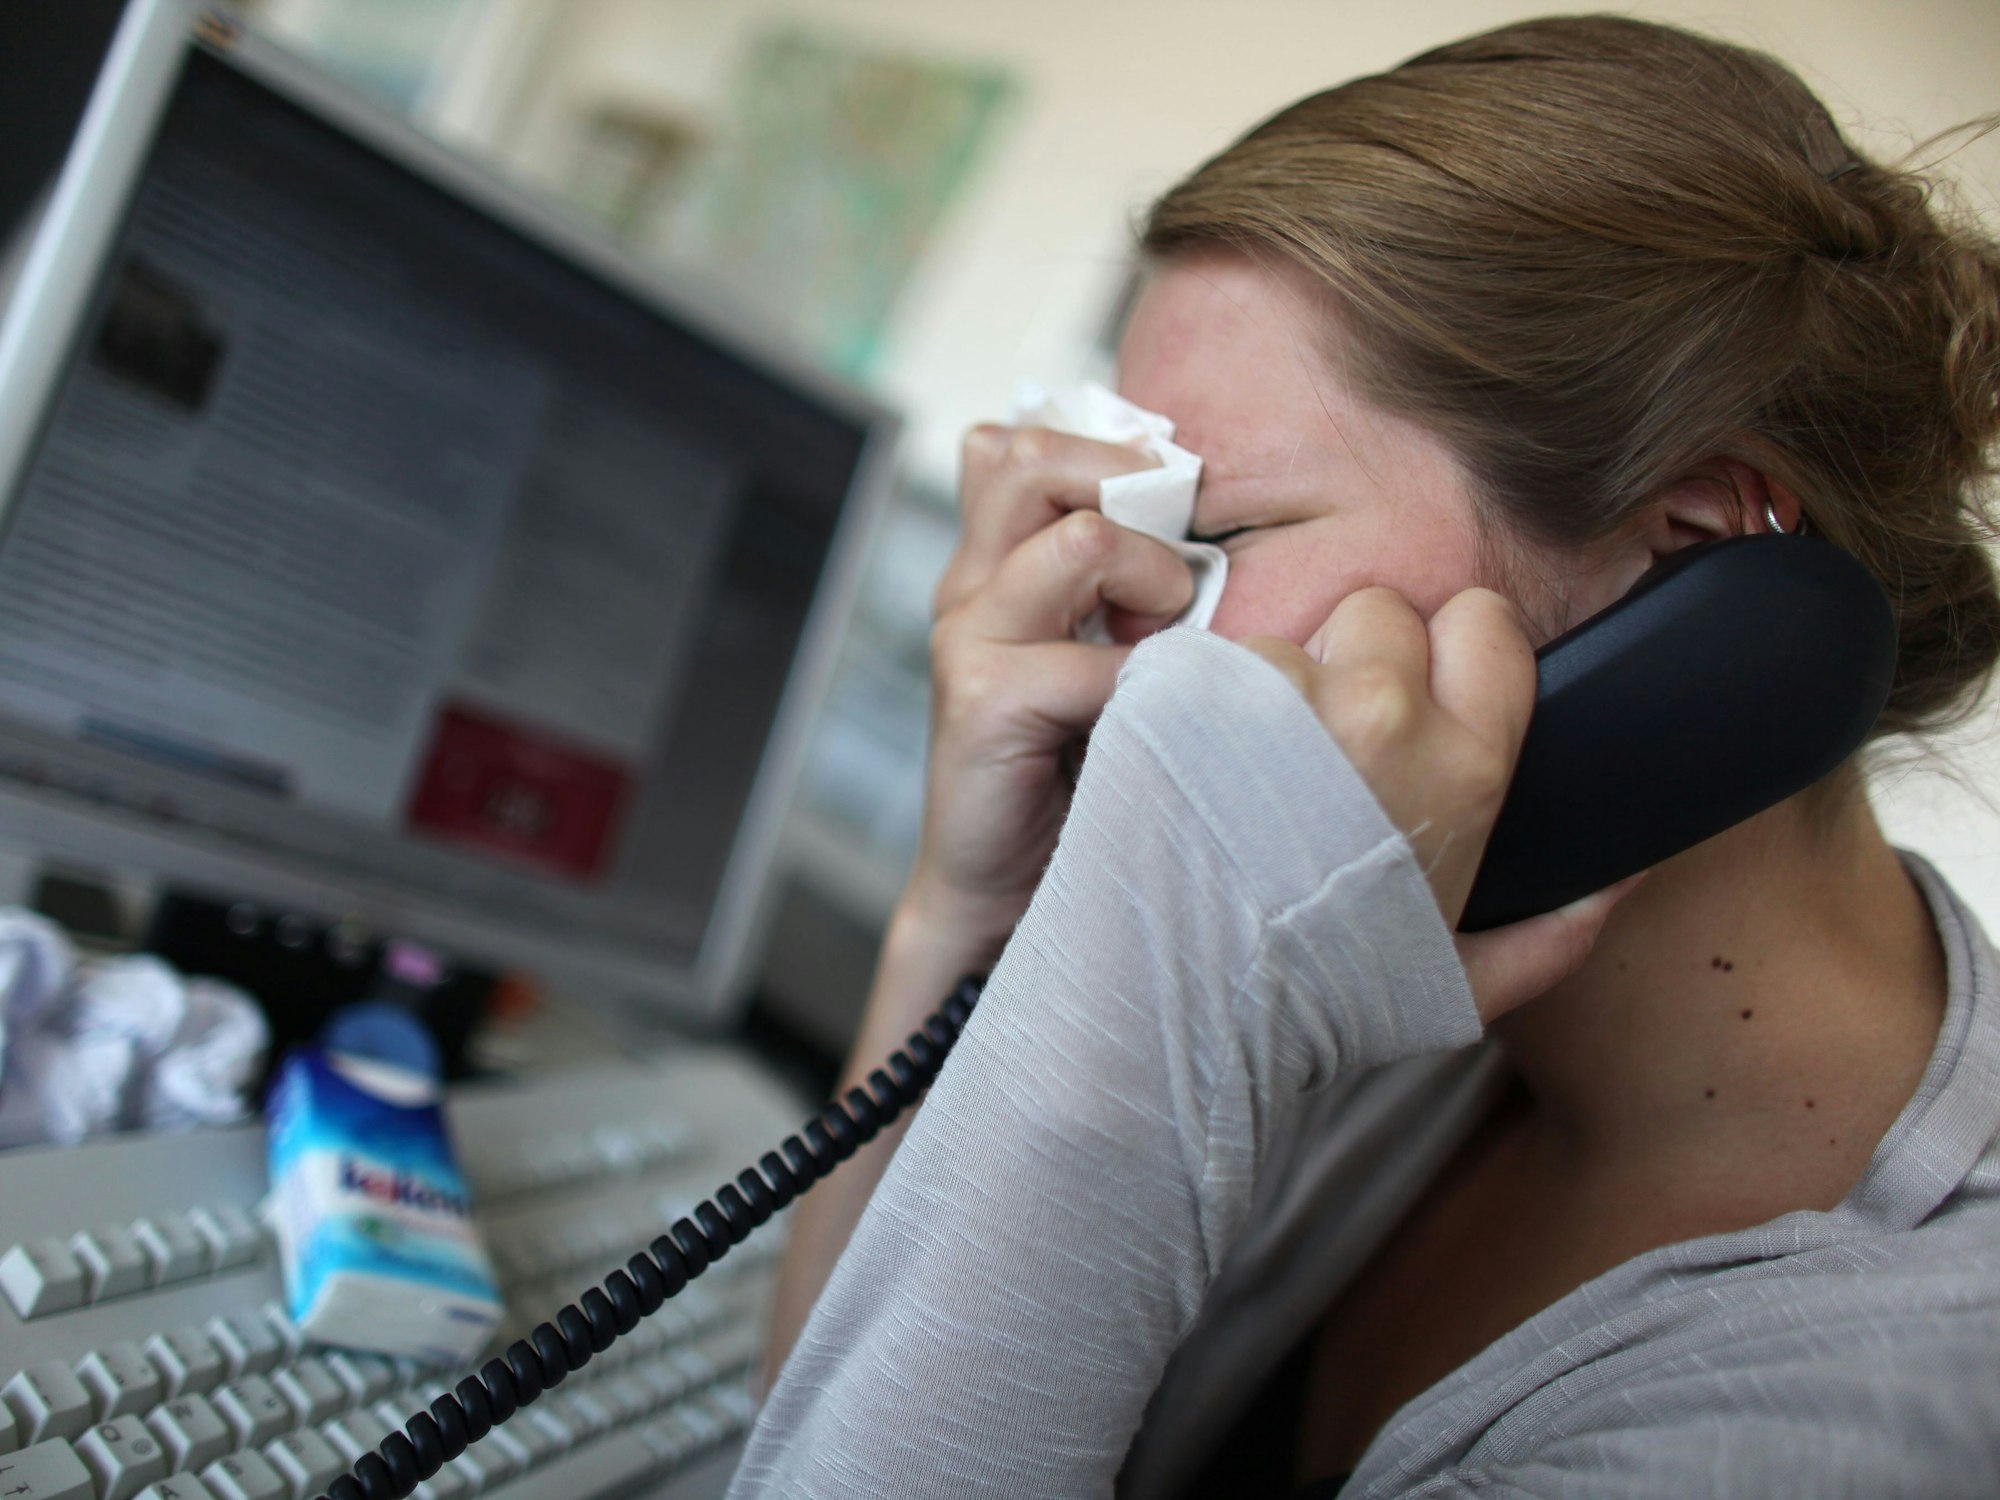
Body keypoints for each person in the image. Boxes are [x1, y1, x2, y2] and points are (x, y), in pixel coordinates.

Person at [735, 15, 2000, 1498]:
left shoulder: (1880, 1402)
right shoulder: (1368, 959)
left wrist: (1162, 1004)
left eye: (1220, 538)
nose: (1117, 623)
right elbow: (825, 1431)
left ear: (1698, 567)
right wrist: (969, 914)